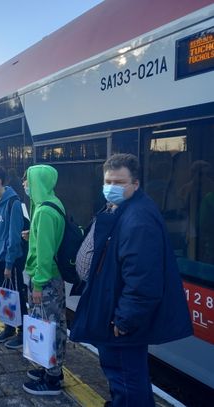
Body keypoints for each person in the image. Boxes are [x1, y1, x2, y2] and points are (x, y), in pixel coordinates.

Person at [70, 154, 192, 406]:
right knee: (125, 377)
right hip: (113, 310)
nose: (111, 187)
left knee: (126, 377)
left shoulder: (138, 219)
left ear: (135, 184)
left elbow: (142, 281)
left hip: (120, 320)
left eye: (119, 182)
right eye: (108, 181)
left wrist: (124, 320)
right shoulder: (123, 209)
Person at [22, 164, 67, 396]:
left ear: (38, 181)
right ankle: (49, 367)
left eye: (27, 180)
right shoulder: (51, 203)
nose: (25, 185)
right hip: (49, 276)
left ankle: (52, 379)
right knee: (48, 324)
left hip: (46, 279)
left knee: (48, 327)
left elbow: (45, 254)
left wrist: (38, 284)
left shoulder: (44, 212)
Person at [0, 165, 27, 349]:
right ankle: (8, 327)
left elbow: (14, 236)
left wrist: (9, 263)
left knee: (17, 295)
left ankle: (22, 332)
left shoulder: (13, 203)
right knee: (4, 294)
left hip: (11, 259)